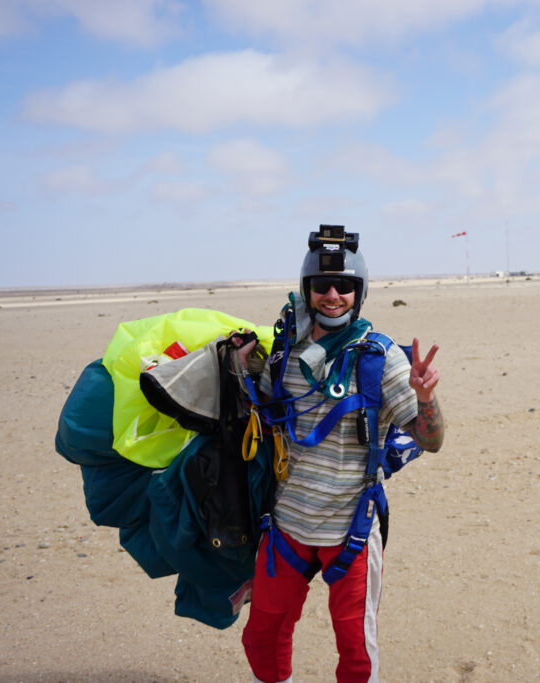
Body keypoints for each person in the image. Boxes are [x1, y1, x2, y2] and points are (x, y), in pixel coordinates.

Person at [236, 226, 444, 683]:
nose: (333, 295)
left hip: (350, 530)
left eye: (344, 286)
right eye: (322, 286)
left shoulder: (382, 358)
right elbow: (263, 416)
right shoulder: (285, 352)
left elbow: (431, 441)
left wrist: (424, 397)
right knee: (263, 635)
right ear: (306, 290)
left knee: (355, 650)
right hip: (286, 525)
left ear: (360, 292)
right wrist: (241, 366)